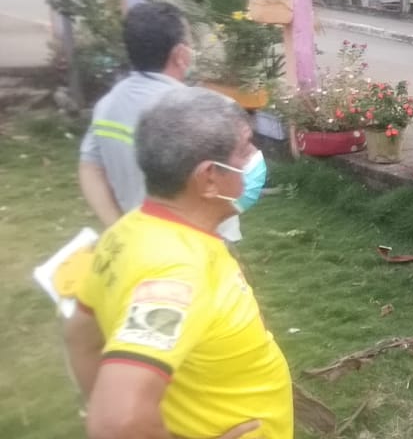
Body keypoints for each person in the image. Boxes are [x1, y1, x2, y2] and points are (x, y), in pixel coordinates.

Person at [65, 87, 290, 439]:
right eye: (246, 148)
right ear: (209, 178)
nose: (255, 159)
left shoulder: (125, 231)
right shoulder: (177, 275)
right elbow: (116, 422)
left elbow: (80, 337)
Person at [78, 2, 243, 241]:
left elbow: (90, 168)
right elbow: (235, 178)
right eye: (190, 42)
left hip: (140, 239)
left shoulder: (107, 106)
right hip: (200, 242)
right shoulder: (207, 109)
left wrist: (118, 228)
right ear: (180, 55)